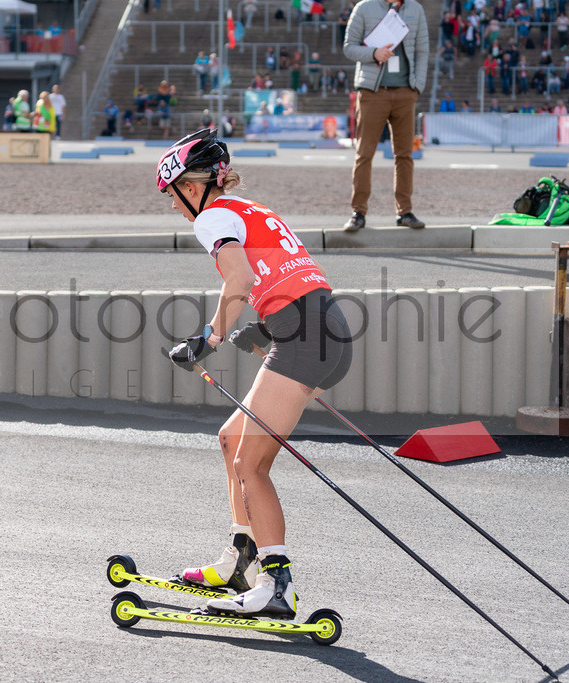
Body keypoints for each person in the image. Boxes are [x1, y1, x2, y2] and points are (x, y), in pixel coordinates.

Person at [159, 128, 351, 617]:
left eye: (174, 193)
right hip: (321, 327)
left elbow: (240, 280)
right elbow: (292, 279)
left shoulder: (212, 217)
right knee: (231, 440)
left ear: (193, 185)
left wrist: (209, 338)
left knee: (251, 464)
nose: (174, 205)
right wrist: (265, 328)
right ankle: (241, 559)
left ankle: (276, 585)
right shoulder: (250, 208)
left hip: (304, 339)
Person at [342, 0, 429, 232]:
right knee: (364, 154)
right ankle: (358, 212)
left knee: (405, 155)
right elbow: (349, 47)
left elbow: (422, 51)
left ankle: (405, 212)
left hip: (405, 93)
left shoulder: (415, 9)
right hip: (372, 92)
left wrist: (416, 87)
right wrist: (374, 53)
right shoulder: (364, 8)